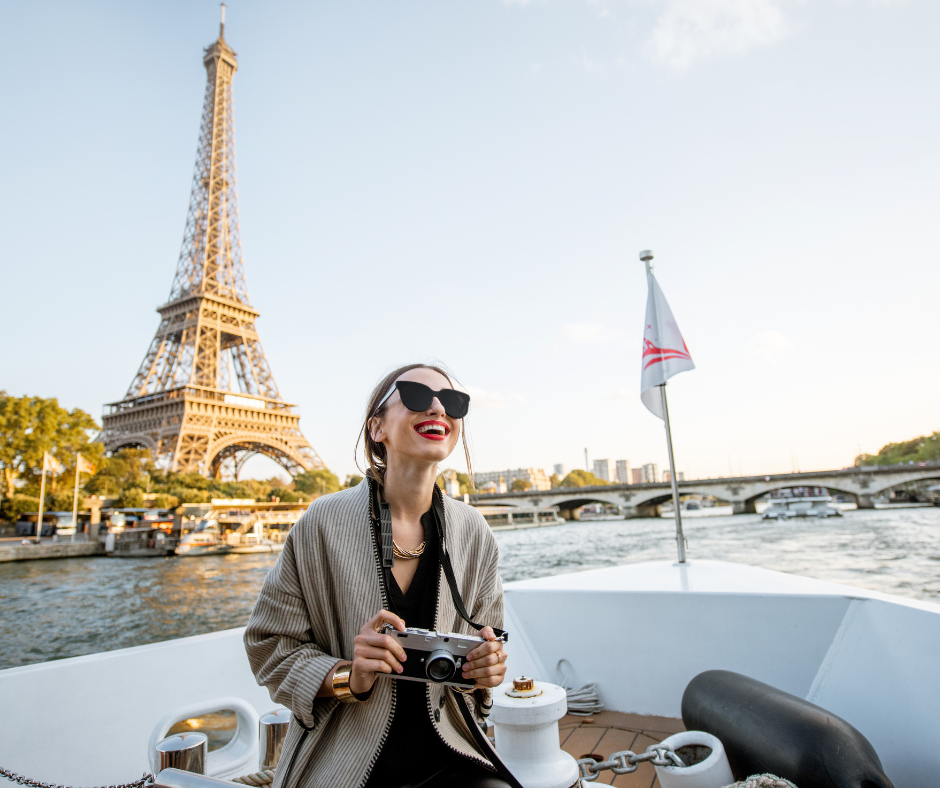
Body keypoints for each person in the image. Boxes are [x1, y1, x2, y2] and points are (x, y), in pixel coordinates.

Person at [244, 363, 511, 788]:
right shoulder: (322, 522)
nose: (439, 408)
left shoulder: (474, 531)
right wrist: (350, 675)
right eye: (418, 397)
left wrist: (485, 670)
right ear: (376, 428)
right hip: (342, 759)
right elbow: (269, 645)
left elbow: (487, 644)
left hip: (453, 751)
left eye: (453, 402)